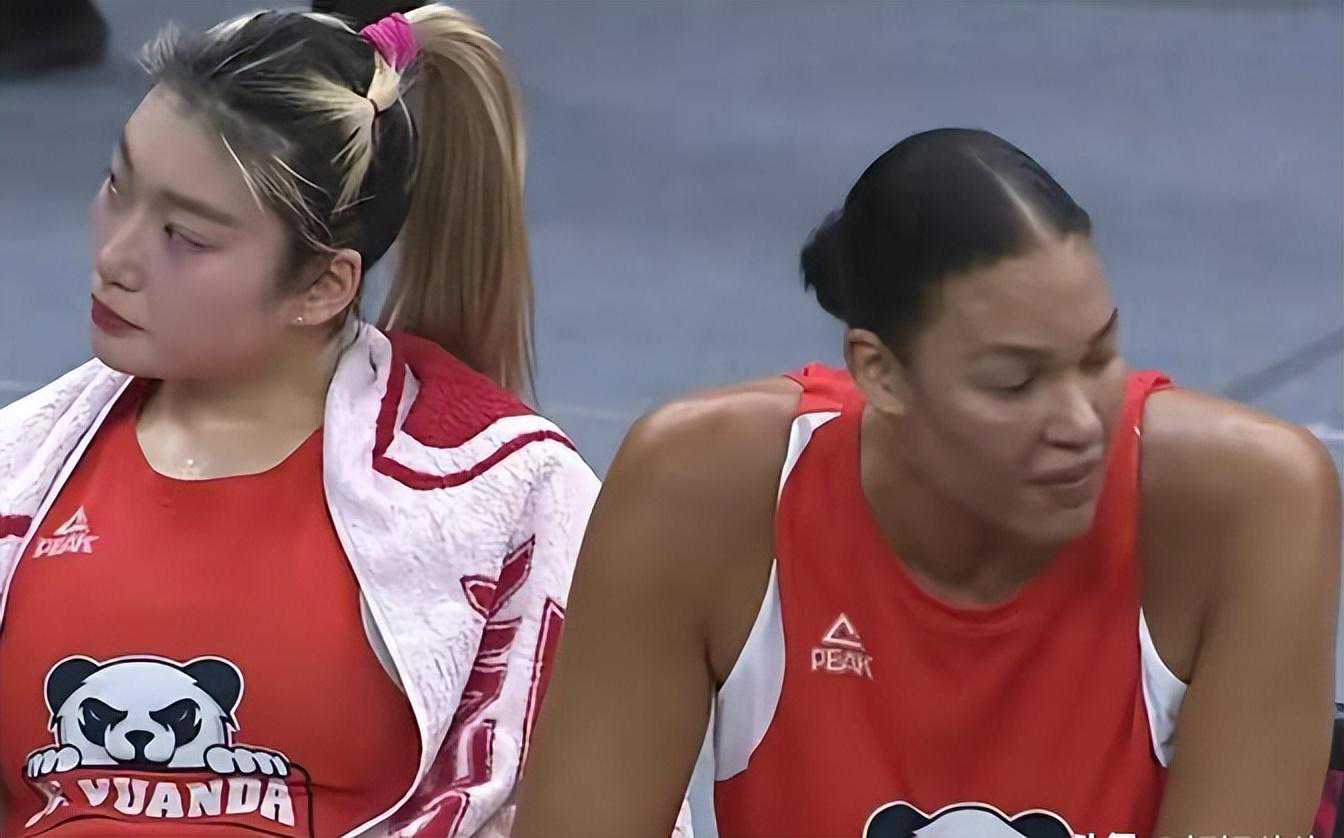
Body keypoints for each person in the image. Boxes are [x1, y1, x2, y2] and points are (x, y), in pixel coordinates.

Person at [514, 129, 1340, 837]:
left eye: (1098, 359)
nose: (1080, 422)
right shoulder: (703, 492)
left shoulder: (1249, 509)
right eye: (1014, 383)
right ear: (880, 374)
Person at [0, 7, 597, 837]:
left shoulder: (511, 498)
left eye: (185, 237)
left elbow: (575, 805)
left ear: (322, 287)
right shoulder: (19, 467)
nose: (115, 258)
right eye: (116, 187)